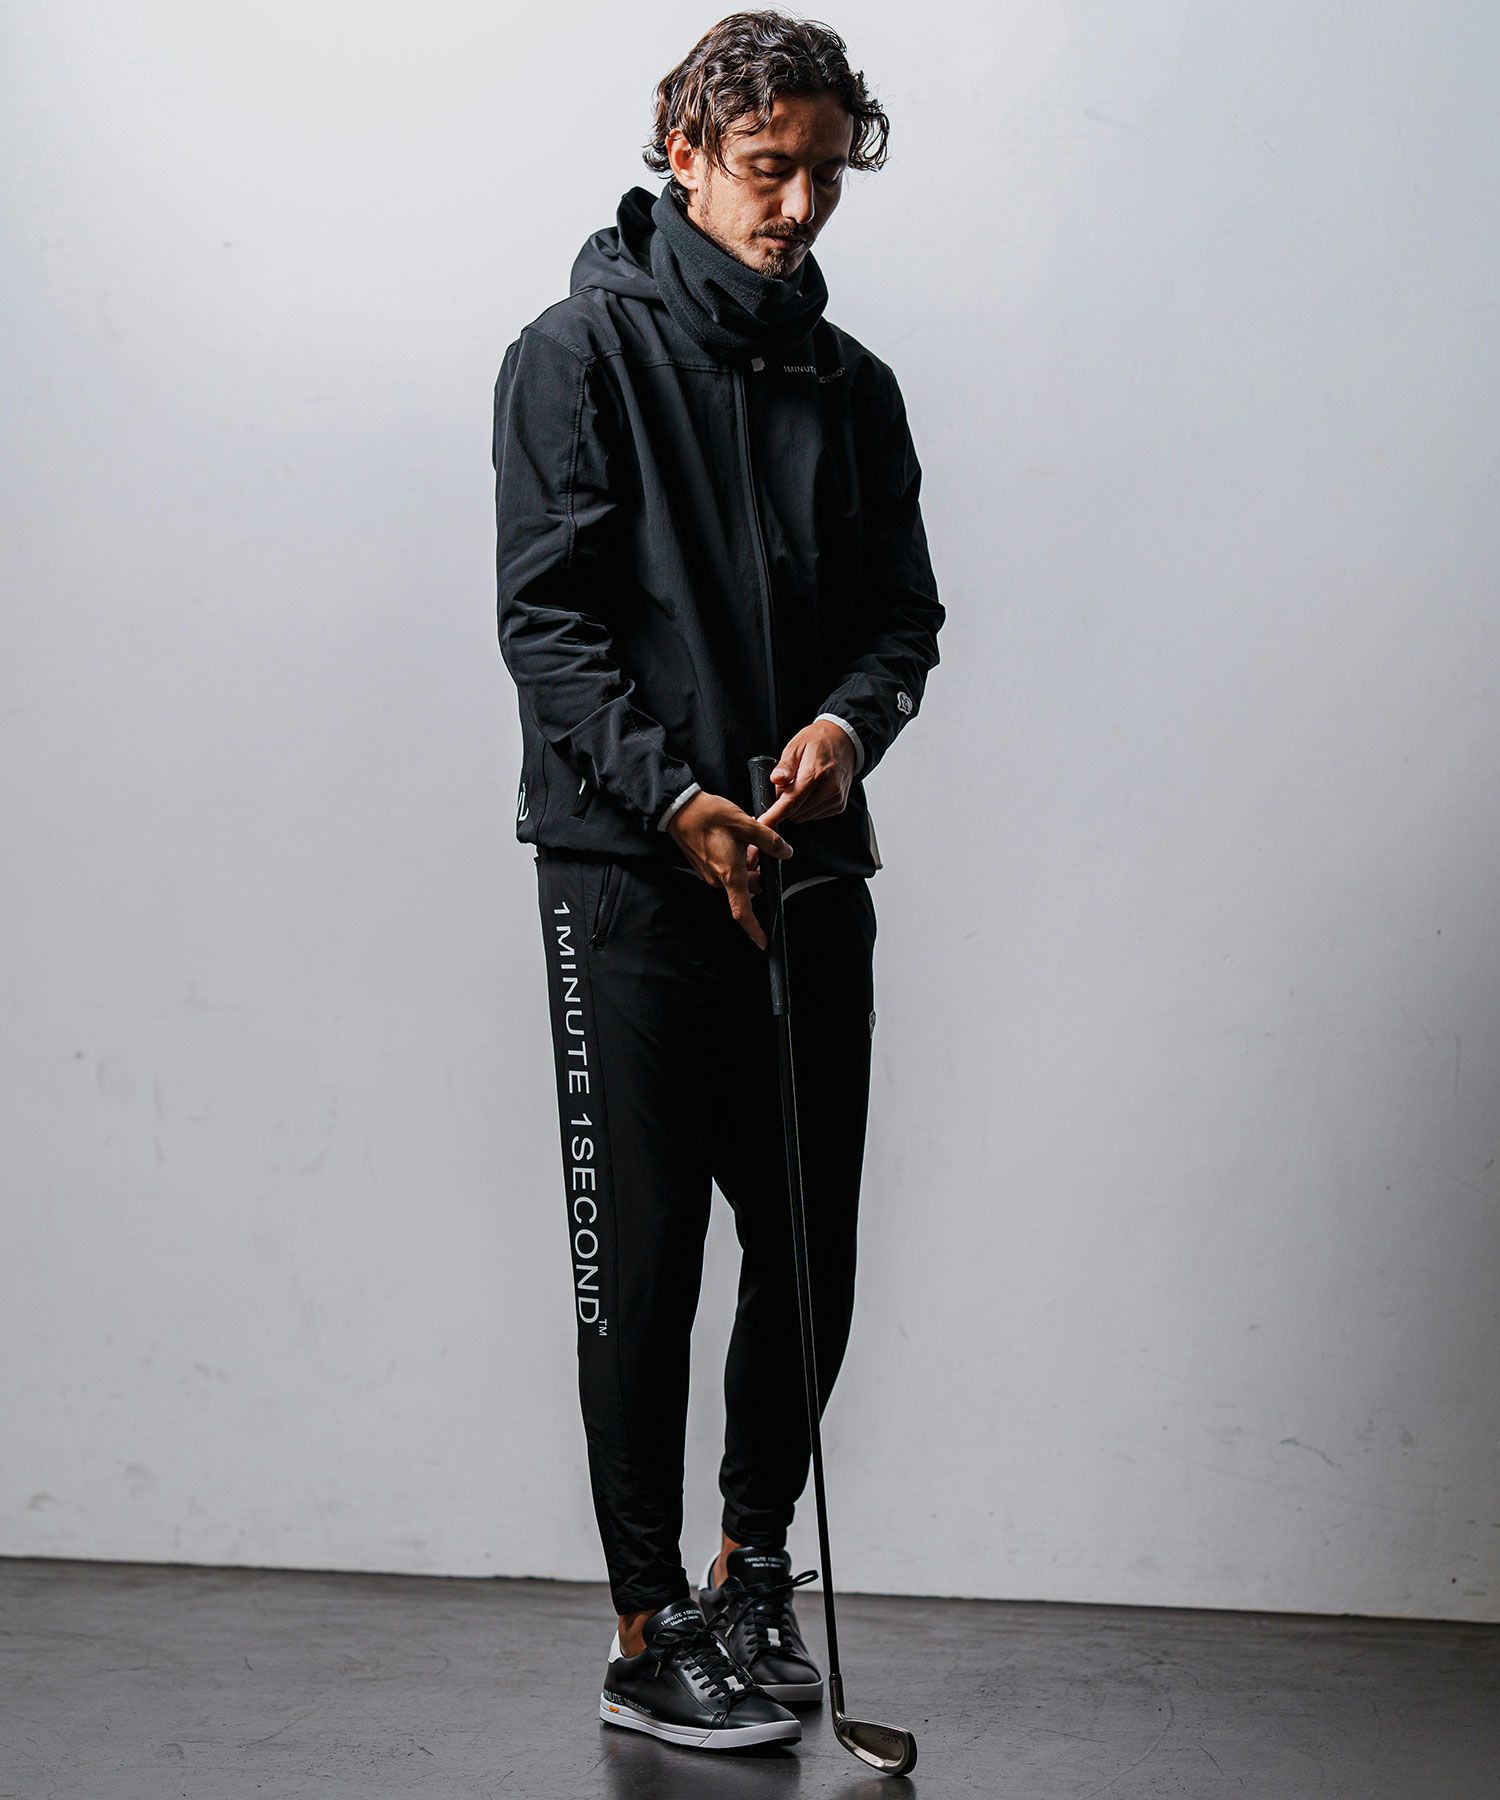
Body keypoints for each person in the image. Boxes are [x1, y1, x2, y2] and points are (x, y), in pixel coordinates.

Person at [492, 9, 945, 1754]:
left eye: (827, 174)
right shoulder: (571, 358)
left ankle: (754, 1570)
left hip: (807, 869)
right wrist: (676, 800)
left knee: (809, 1245)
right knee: (646, 1259)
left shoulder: (857, 388)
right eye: (770, 168)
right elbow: (549, 625)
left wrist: (844, 728)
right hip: (630, 874)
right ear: (685, 153)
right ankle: (644, 1624)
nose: (801, 206)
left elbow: (903, 621)